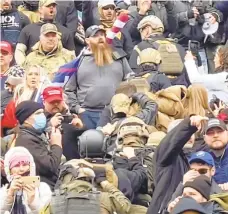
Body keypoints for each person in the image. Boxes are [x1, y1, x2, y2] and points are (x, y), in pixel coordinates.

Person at [65, 25, 133, 129]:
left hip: (115, 112)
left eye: (102, 35)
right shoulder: (79, 61)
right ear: (87, 40)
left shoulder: (118, 57)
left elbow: (130, 81)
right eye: (95, 36)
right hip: (88, 113)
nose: (100, 38)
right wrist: (78, 109)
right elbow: (69, 90)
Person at [147, 116, 208, 214]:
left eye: (192, 134)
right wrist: (189, 125)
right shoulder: (165, 158)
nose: (189, 137)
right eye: (185, 134)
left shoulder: (198, 158)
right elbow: (172, 142)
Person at [129, 15, 191, 88]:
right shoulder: (178, 47)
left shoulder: (140, 47)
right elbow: (188, 74)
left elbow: (133, 71)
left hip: (156, 92)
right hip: (180, 91)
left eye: (141, 30)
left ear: (147, 29)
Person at [165, 1, 224, 74]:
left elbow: (219, 14)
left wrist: (214, 16)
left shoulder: (200, 2)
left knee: (203, 79)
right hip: (181, 48)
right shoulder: (173, 3)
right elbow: (167, 23)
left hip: (200, 47)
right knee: (183, 79)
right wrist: (186, 15)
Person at [14, 100, 62, 189]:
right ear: (26, 119)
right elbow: (50, 166)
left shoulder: (34, 134)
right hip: (43, 189)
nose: (42, 116)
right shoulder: (27, 140)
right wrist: (56, 145)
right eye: (38, 113)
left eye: (42, 112)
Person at [15, 0, 75, 66]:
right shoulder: (28, 30)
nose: (52, 8)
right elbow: (19, 51)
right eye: (48, 6)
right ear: (40, 9)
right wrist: (24, 67)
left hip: (57, 70)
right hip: (35, 71)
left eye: (54, 6)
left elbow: (72, 56)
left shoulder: (65, 32)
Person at [0, 147, 52, 213]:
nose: (21, 169)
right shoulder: (3, 191)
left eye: (25, 164)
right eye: (16, 165)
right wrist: (9, 196)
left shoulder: (43, 189)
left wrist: (33, 202)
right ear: (9, 171)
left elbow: (46, 211)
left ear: (31, 167)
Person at [1, 65, 49, 135]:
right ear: (26, 77)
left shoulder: (46, 96)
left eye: (36, 74)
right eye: (30, 74)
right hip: (18, 134)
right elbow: (7, 126)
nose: (33, 77)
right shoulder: (17, 97)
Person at [42, 86, 84, 160]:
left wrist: (81, 127)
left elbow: (86, 139)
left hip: (71, 162)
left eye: (58, 102)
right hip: (48, 161)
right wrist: (49, 125)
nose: (55, 104)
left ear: (63, 102)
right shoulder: (38, 117)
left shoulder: (71, 116)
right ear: (44, 102)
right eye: (52, 102)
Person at [204, 118, 228, 189]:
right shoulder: (200, 159)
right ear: (204, 138)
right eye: (210, 133)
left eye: (219, 131)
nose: (215, 135)